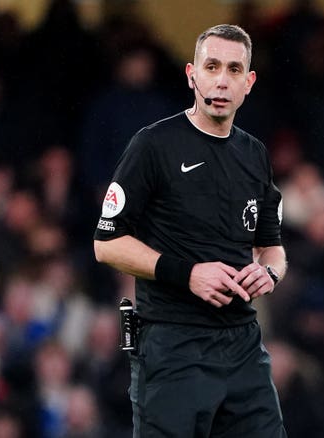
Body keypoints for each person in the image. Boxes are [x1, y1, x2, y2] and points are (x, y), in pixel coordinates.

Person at [93, 24, 287, 437]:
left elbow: (272, 247)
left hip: (242, 346)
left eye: (234, 69)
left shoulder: (255, 154)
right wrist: (188, 273)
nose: (221, 79)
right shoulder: (153, 145)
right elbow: (106, 243)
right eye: (211, 66)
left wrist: (268, 273)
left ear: (248, 82)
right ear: (190, 74)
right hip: (171, 344)